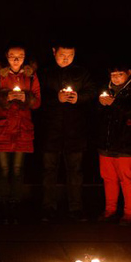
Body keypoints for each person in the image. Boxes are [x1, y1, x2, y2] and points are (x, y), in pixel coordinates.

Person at [38, 40, 98, 222]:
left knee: (75, 171)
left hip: (75, 131)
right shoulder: (45, 72)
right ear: (54, 51)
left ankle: (76, 208)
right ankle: (48, 207)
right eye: (62, 55)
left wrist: (79, 98)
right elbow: (37, 95)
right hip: (51, 130)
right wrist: (56, 97)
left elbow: (92, 92)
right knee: (49, 170)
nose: (66, 59)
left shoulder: (81, 72)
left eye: (70, 55)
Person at [0, 44, 41, 224]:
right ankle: (2, 205)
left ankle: (15, 204)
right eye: (12, 56)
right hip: (2, 128)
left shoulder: (30, 75)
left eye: (20, 56)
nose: (16, 60)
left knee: (17, 169)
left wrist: (27, 99)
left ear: (25, 57)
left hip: (22, 129)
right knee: (3, 169)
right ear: (6, 57)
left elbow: (38, 102)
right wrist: (4, 98)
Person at [95, 61, 131, 226]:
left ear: (129, 73)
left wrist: (115, 103)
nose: (115, 78)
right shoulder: (106, 90)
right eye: (113, 75)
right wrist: (100, 105)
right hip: (106, 143)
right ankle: (110, 210)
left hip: (127, 143)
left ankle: (129, 214)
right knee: (108, 178)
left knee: (127, 179)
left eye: (119, 74)